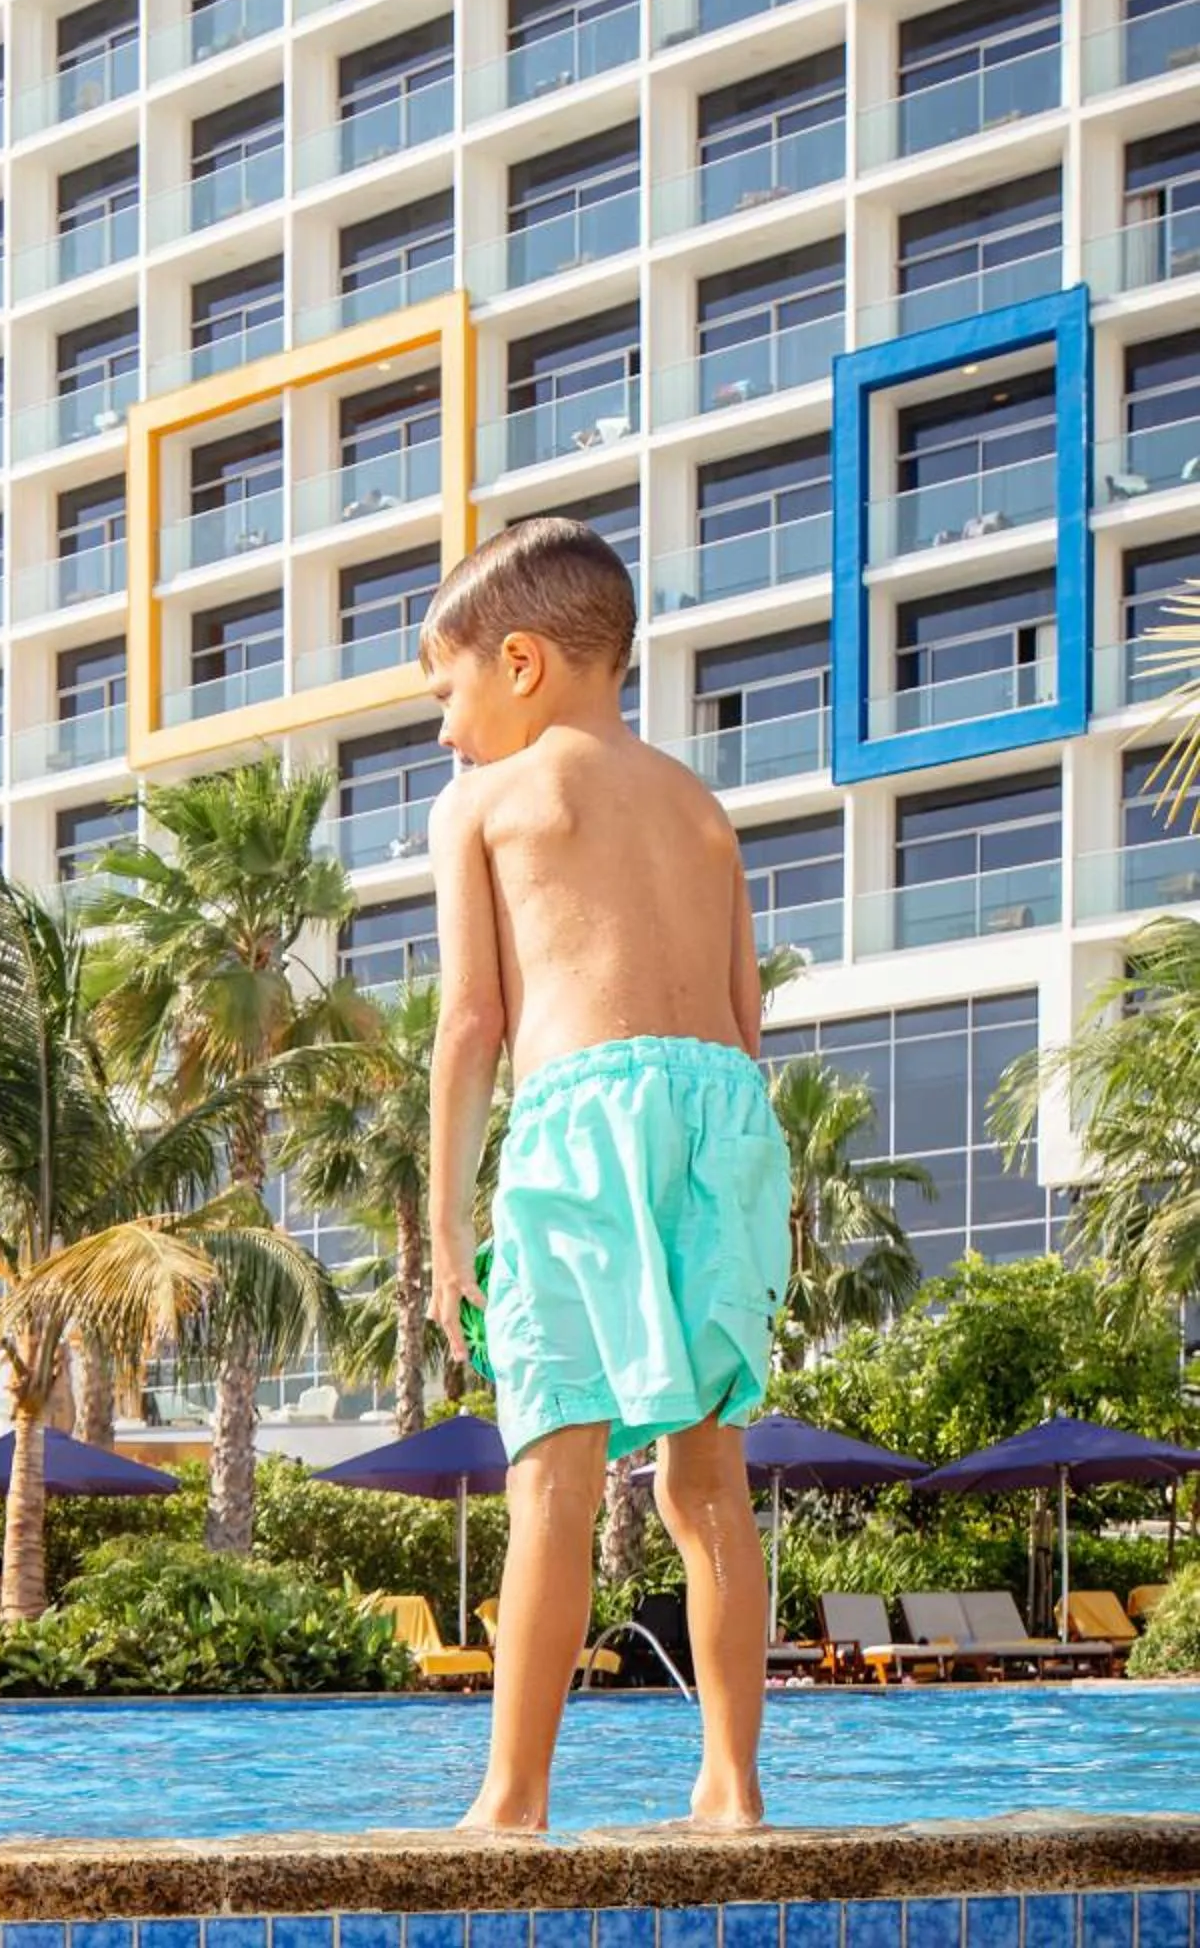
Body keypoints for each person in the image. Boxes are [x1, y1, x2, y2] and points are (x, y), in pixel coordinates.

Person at [422, 517, 787, 1836]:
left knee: (555, 1475)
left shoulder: (483, 803)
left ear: (520, 664)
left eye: (448, 691)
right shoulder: (701, 807)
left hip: (583, 1118)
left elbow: (471, 1022)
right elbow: (747, 1019)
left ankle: (512, 1799)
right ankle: (734, 1785)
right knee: (707, 1482)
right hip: (727, 1118)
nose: (446, 730)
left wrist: (446, 1212)